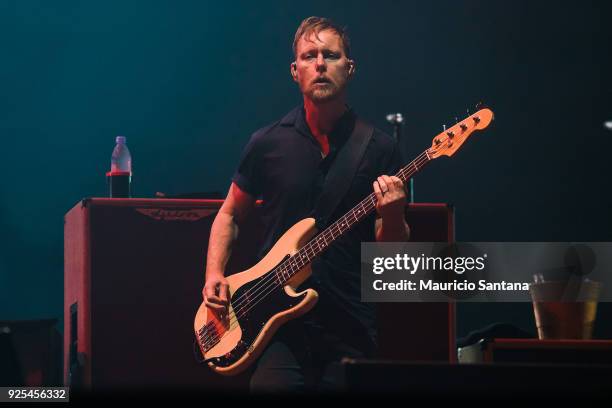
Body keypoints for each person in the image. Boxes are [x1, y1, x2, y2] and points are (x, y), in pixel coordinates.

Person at [202, 16, 410, 392]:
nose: (319, 63)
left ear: (349, 68)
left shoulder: (380, 148)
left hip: (351, 325)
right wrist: (214, 274)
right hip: (276, 327)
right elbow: (230, 214)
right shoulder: (267, 143)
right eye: (309, 56)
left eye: (330, 55)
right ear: (294, 71)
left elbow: (390, 254)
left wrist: (392, 214)